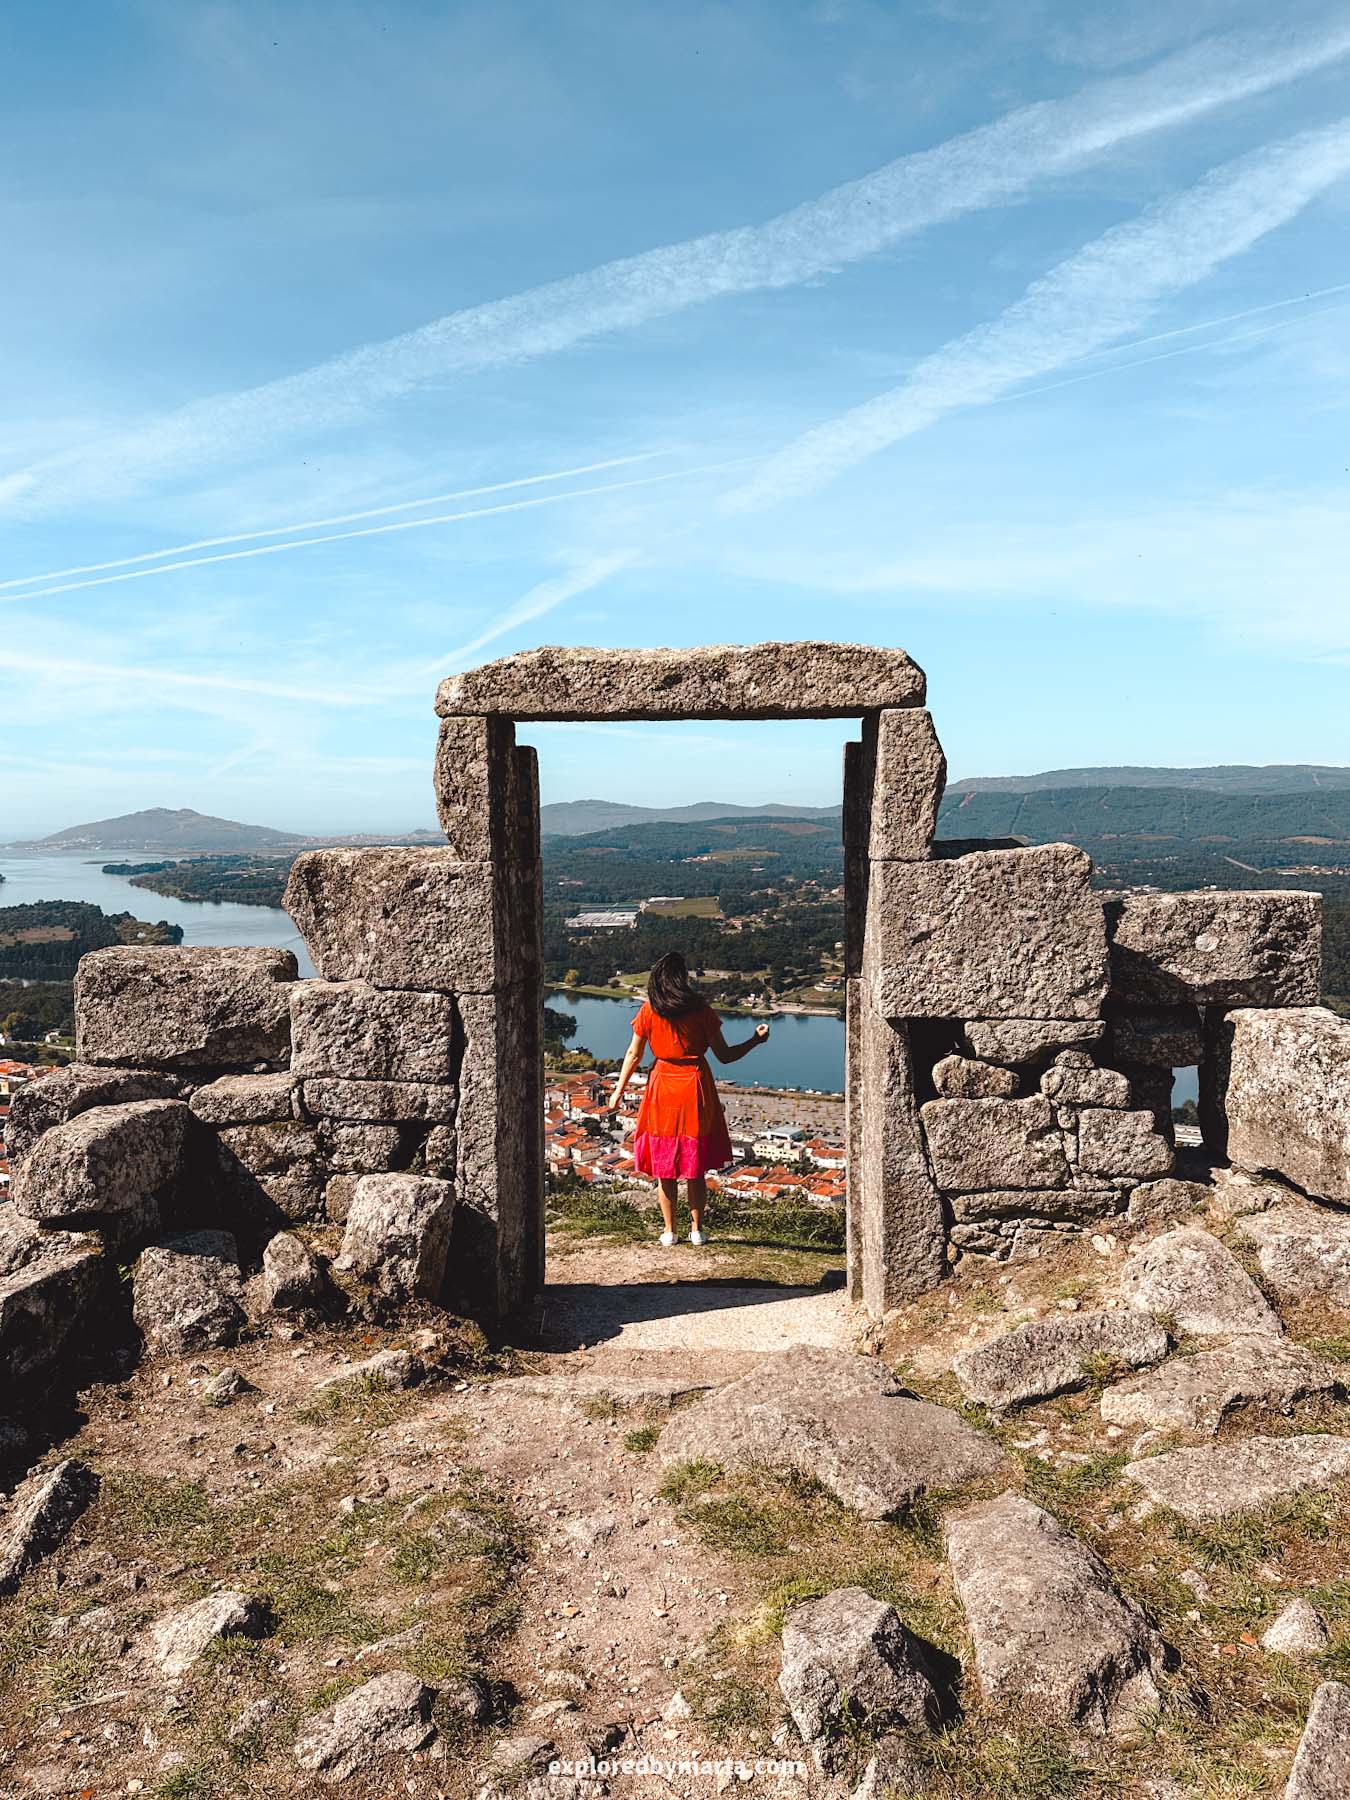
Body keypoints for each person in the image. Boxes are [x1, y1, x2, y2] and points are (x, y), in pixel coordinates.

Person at [606, 951, 769, 1246]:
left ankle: (670, 1232)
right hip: (695, 1085)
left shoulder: (648, 1011)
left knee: (664, 1166)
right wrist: (756, 1040)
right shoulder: (702, 1011)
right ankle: (697, 1231)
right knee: (695, 1166)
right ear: (683, 978)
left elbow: (633, 1054)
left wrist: (618, 1091)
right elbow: (726, 1056)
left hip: (662, 1087)